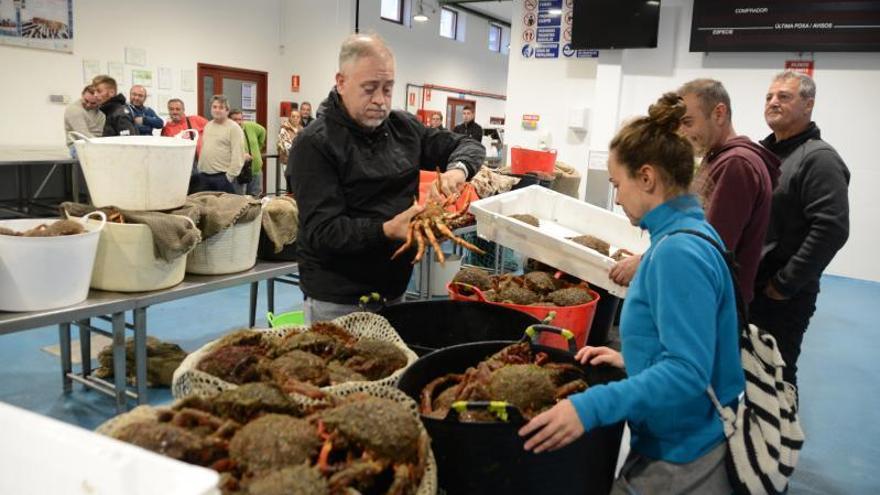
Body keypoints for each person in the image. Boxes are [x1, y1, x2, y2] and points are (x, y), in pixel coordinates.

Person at [519, 93, 743, 494]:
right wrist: (633, 358)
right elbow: (692, 340)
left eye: (616, 184)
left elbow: (689, 373)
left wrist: (588, 408)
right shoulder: (685, 232)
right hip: (677, 437)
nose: (617, 197)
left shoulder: (678, 252)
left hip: (684, 456)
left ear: (646, 178)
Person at [290, 33, 485, 323]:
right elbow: (323, 231)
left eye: (388, 88)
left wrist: (457, 171)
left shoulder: (404, 128)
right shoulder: (314, 144)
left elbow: (468, 146)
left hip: (395, 291)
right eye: (369, 88)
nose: (380, 100)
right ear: (341, 82)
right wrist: (387, 229)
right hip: (338, 299)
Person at [611, 79, 780, 304]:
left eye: (688, 122)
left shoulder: (737, 164)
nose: (682, 132)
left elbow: (710, 242)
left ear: (719, 113)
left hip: (711, 298)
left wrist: (645, 261)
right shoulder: (716, 157)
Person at [751, 71, 850, 388]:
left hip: (781, 296)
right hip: (751, 287)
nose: (773, 102)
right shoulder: (765, 153)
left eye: (784, 96)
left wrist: (785, 283)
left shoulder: (819, 159)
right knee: (747, 369)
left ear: (808, 105)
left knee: (776, 375)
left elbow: (832, 228)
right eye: (769, 96)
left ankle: (782, 437)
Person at [197, 95, 246, 193]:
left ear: (227, 111)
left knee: (226, 208)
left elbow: (238, 156)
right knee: (206, 207)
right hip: (204, 176)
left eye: (221, 107)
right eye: (214, 107)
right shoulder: (208, 125)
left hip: (222, 178)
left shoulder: (234, 128)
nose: (217, 110)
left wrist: (229, 177)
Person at [229, 109, 267, 196]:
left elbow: (263, 131)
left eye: (240, 119)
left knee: (255, 199)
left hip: (255, 170)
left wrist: (258, 147)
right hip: (238, 172)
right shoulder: (227, 131)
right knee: (239, 200)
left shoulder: (250, 126)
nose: (238, 122)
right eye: (235, 119)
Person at [64, 85, 105, 158]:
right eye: (86, 100)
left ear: (99, 101)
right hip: (78, 146)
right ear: (82, 95)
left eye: (93, 103)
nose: (88, 105)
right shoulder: (74, 110)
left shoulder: (102, 111)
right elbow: (83, 135)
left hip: (98, 144)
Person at [277, 110, 303, 193]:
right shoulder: (283, 130)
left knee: (300, 186)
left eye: (297, 117)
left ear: (300, 119)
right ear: (290, 118)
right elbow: (286, 146)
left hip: (300, 162)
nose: (295, 119)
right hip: (288, 161)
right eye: (293, 116)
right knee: (291, 186)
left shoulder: (302, 129)